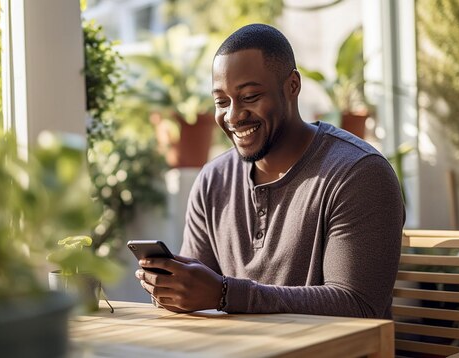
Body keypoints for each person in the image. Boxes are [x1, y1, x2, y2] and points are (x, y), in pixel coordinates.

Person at [134, 23, 404, 318]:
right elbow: (201, 298)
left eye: (250, 97)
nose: (234, 115)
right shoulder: (213, 180)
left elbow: (359, 305)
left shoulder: (358, 174)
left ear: (292, 86)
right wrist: (174, 290)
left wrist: (226, 294)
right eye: (221, 102)